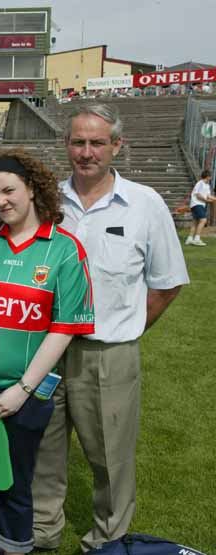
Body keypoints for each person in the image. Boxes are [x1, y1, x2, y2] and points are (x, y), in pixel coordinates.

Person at [31, 104, 189, 552]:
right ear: (66, 145)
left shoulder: (145, 203)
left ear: (116, 145)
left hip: (108, 352)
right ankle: (43, 531)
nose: (86, 152)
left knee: (110, 457)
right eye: (78, 142)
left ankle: (108, 539)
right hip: (45, 349)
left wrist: (129, 328)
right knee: (44, 447)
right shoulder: (45, 200)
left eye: (97, 142)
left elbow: (167, 283)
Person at [0, 150, 95, 555]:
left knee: (13, 480)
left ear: (32, 188)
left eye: (9, 190)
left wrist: (22, 390)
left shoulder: (64, 250)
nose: (2, 201)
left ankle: (12, 548)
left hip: (23, 396)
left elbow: (63, 329)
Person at [185, 169, 216, 246]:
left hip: (200, 204)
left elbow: (208, 196)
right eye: (210, 176)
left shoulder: (207, 186)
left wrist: (214, 199)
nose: (211, 178)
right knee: (203, 220)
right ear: (207, 176)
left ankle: (189, 239)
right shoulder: (200, 183)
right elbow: (198, 195)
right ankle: (197, 239)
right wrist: (206, 200)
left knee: (195, 222)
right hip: (196, 204)